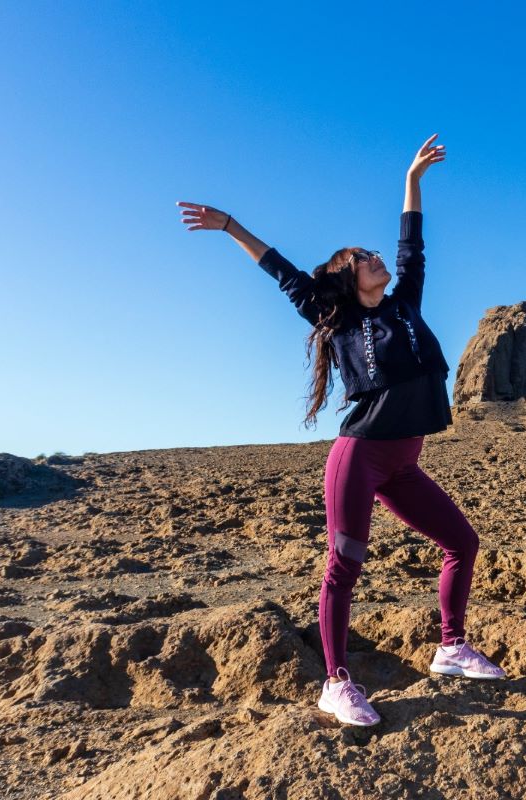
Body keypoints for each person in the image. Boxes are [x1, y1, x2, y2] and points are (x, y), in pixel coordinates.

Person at [177, 133, 505, 728]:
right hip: (359, 457)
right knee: (345, 563)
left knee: (462, 542)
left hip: (405, 461)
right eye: (363, 257)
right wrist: (231, 226)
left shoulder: (405, 302)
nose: (376, 257)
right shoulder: (339, 318)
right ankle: (335, 682)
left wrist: (412, 179)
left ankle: (451, 648)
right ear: (349, 277)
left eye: (373, 253)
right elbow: (286, 277)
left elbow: (412, 246)